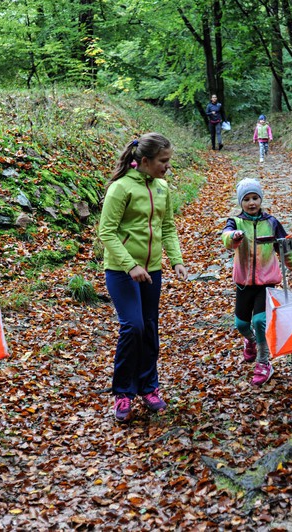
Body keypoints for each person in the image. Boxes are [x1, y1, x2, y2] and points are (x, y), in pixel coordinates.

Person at [98, 132, 188, 422]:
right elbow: (107, 232)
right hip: (121, 271)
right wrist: (130, 265)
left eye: (169, 161)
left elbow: (169, 227)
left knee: (149, 327)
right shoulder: (121, 189)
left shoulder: (162, 187)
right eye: (163, 161)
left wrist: (176, 260)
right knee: (133, 327)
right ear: (145, 160)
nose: (167, 167)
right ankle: (123, 392)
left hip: (153, 270)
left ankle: (149, 387)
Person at [220, 178, 292, 386]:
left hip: (266, 282)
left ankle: (263, 362)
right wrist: (234, 236)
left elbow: (285, 247)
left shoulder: (271, 222)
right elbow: (226, 238)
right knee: (241, 324)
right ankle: (250, 341)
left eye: (255, 198)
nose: (251, 203)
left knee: (260, 321)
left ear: (260, 199)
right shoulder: (235, 221)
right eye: (247, 199)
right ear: (240, 202)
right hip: (243, 282)